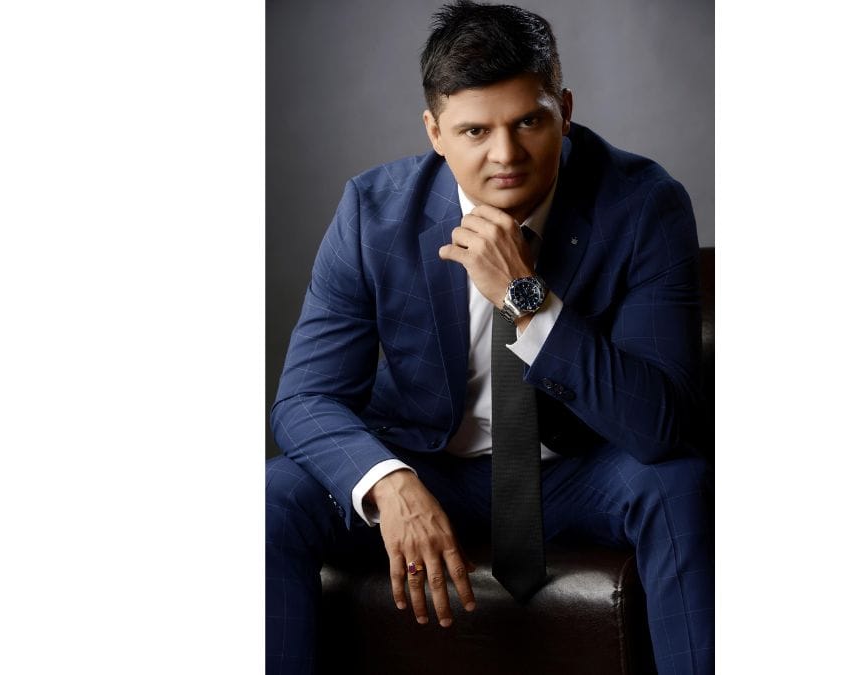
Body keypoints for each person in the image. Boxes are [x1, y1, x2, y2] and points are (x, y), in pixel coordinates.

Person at [267, 2, 712, 673]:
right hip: (429, 465)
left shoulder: (643, 203)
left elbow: (660, 424)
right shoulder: (374, 212)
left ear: (564, 110)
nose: (505, 155)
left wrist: (525, 299)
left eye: (528, 121)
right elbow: (304, 399)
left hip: (578, 471)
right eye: (474, 130)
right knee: (271, 498)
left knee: (677, 484)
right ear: (435, 132)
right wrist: (390, 482)